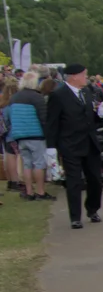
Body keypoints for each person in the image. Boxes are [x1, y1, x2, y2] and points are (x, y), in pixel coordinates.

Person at [44, 64, 103, 230]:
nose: (86, 77)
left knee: (95, 180)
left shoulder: (86, 92)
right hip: (70, 144)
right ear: (74, 77)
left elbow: (89, 116)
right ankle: (75, 217)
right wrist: (51, 147)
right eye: (84, 75)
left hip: (90, 143)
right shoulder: (58, 95)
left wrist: (100, 114)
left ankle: (92, 209)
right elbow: (52, 122)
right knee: (74, 182)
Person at [7, 73, 49, 201]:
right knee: (39, 163)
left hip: (20, 135)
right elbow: (43, 117)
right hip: (35, 134)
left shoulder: (14, 98)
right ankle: (40, 192)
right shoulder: (37, 97)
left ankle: (29, 191)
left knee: (27, 164)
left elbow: (9, 117)